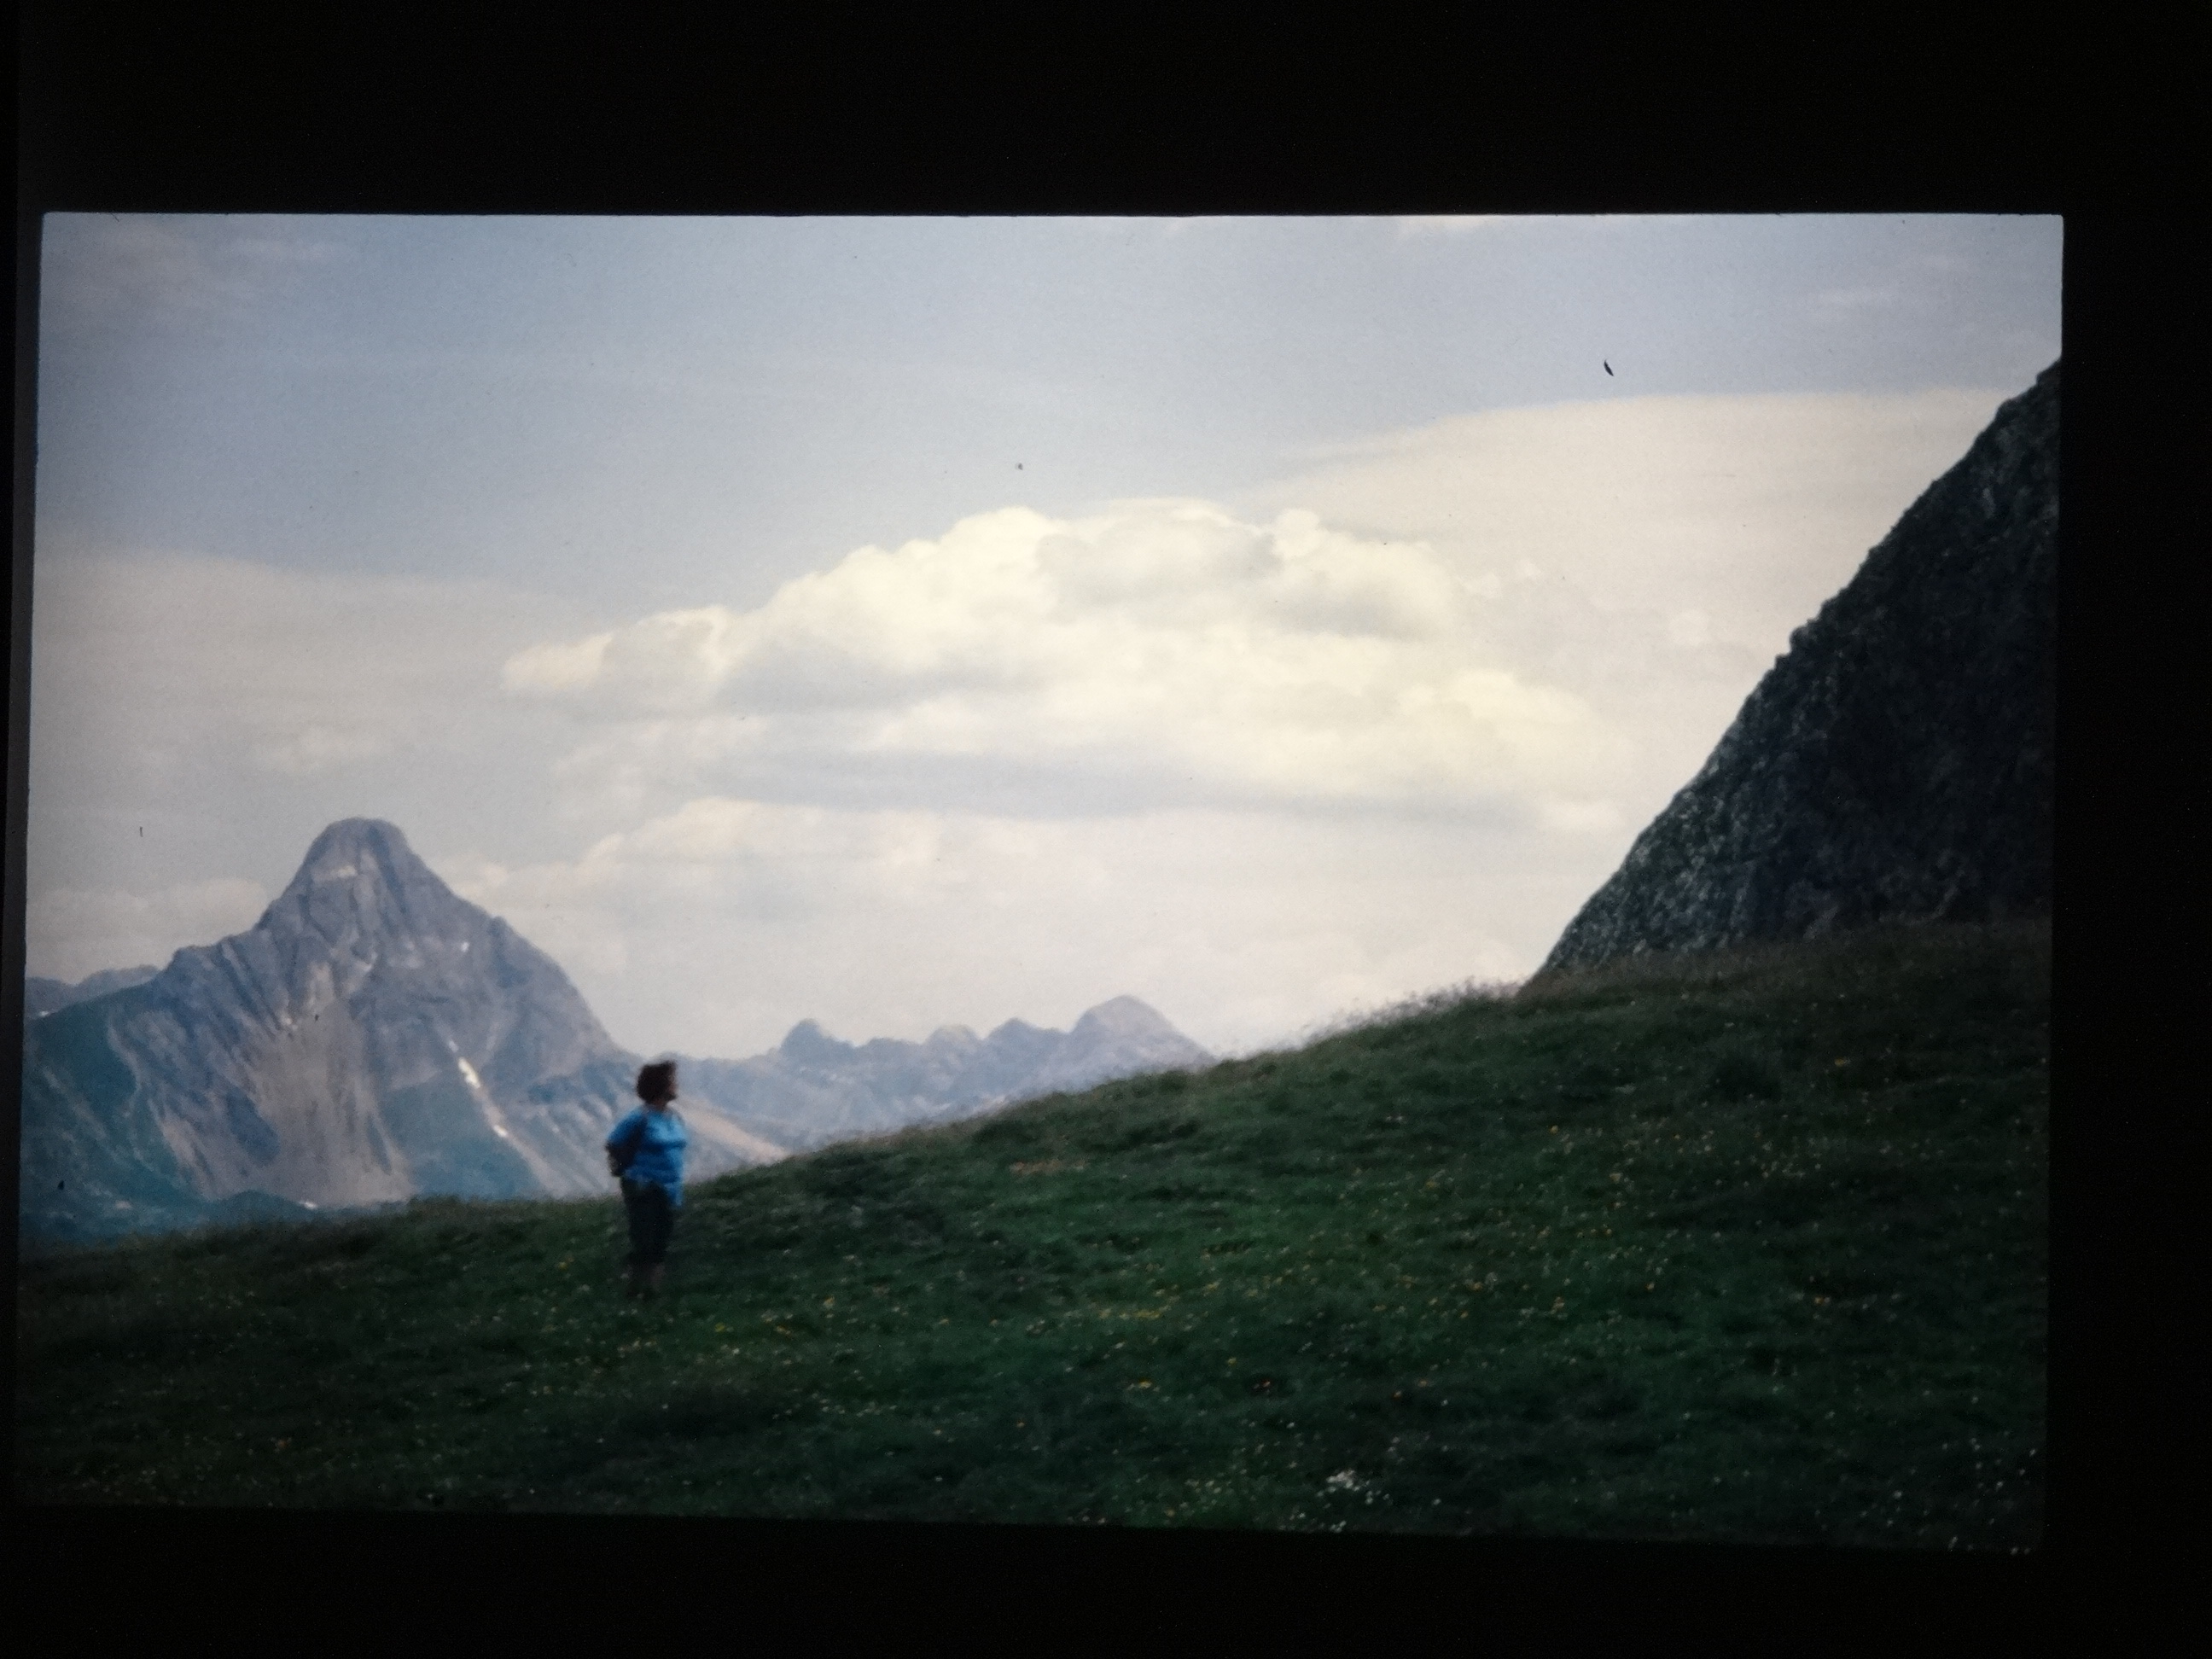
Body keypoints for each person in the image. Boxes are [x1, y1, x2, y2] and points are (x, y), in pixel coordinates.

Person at [606, 1059, 689, 1300]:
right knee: (644, 1240)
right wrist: (628, 1166)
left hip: (670, 1187)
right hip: (643, 1186)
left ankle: (651, 1293)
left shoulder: (675, 1117)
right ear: (661, 1085)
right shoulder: (639, 1117)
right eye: (672, 1081)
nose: (676, 1085)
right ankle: (633, 1290)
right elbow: (613, 1142)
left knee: (661, 1240)